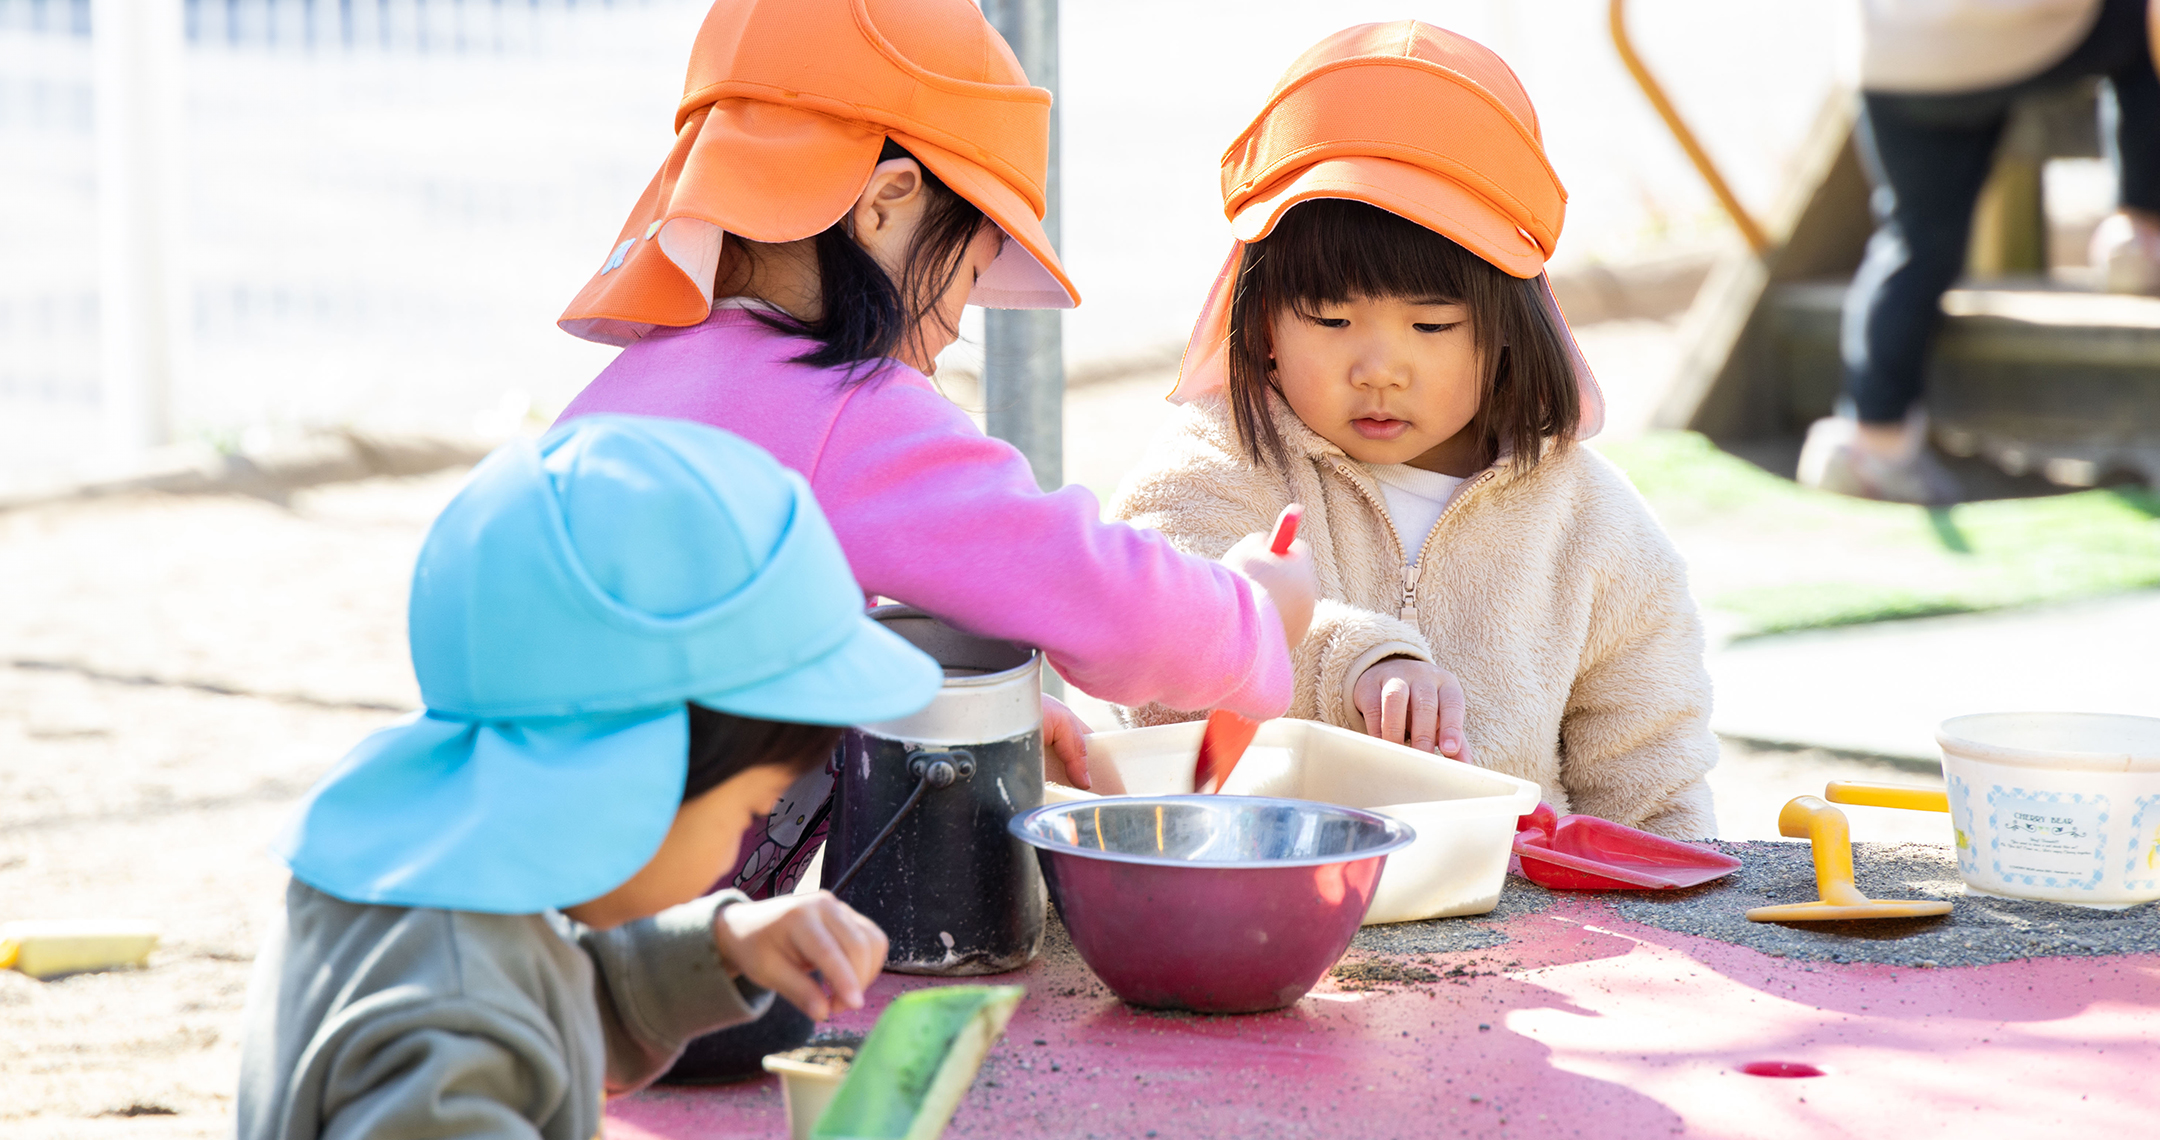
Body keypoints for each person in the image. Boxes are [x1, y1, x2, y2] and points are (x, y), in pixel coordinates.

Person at [554, 0, 1312, 924]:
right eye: (969, 266)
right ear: (885, 204)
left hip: (501, 909)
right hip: (633, 960)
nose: (960, 318)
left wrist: (971, 702)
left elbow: (716, 653)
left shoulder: (630, 391)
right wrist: (1255, 617)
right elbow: (1101, 596)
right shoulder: (845, 409)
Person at [235, 415, 936, 1139]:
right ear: (637, 774)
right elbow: (499, 1008)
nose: (738, 847)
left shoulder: (430, 890)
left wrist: (724, 941)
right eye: (747, 809)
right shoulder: (450, 1029)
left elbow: (546, 983)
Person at [1109, 22, 1717, 839]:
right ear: (1258, 325)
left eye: (1431, 325)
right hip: (1253, 905)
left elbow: (1653, 787)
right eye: (1330, 318)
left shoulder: (1595, 531)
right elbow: (1148, 647)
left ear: (1506, 328)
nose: (1379, 368)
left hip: (1523, 933)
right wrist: (1353, 660)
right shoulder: (1218, 463)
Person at [1799, 0, 2160, 503]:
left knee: (1912, 242)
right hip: (2014, 40)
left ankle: (1872, 440)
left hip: (1888, 55)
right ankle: (2139, 229)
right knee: (2146, 23)